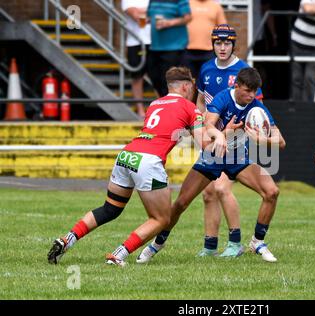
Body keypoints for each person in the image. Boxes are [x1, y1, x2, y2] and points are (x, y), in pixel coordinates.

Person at [47, 67, 206, 266]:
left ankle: (67, 239)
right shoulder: (190, 108)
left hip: (127, 155)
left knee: (110, 209)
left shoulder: (155, 103)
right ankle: (119, 254)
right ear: (186, 86)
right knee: (161, 219)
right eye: (191, 88)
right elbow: (204, 144)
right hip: (148, 161)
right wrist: (224, 132)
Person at [136, 67, 286, 263]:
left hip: (238, 157)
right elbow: (208, 124)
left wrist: (258, 137)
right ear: (236, 85)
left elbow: (280, 141)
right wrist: (223, 134)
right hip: (213, 154)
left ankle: (257, 241)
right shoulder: (223, 98)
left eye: (254, 91)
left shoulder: (257, 107)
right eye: (247, 91)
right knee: (181, 203)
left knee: (272, 192)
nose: (251, 95)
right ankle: (157, 243)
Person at [190, 24, 264, 258]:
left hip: (236, 140)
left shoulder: (244, 70)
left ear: (234, 45)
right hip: (213, 139)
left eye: (227, 43)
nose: (222, 48)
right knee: (208, 193)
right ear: (212, 44)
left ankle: (235, 243)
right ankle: (210, 246)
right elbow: (200, 102)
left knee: (221, 187)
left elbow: (257, 107)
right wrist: (201, 128)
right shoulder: (206, 69)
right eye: (218, 43)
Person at [147, 0, 192, 97]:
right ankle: (165, 100)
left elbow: (188, 18)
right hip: (155, 46)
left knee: (167, 80)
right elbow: (150, 17)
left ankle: (169, 104)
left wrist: (169, 23)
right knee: (153, 76)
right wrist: (147, 20)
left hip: (174, 47)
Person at [183, 0, 227, 80]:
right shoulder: (186, 4)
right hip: (187, 50)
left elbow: (223, 29)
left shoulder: (216, 6)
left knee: (209, 81)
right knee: (187, 82)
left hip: (209, 52)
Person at [122, 0, 152, 118]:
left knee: (158, 76)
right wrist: (152, 12)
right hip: (135, 42)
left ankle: (162, 107)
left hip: (155, 42)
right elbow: (136, 17)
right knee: (137, 77)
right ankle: (140, 110)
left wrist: (141, 11)